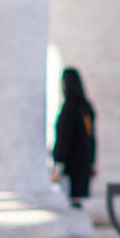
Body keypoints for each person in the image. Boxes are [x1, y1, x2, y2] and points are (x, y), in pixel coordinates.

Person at [52, 66, 97, 206]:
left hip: (72, 164)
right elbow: (92, 138)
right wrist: (92, 160)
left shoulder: (70, 109)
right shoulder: (85, 107)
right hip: (84, 163)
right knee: (78, 201)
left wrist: (58, 163)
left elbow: (64, 137)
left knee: (72, 202)